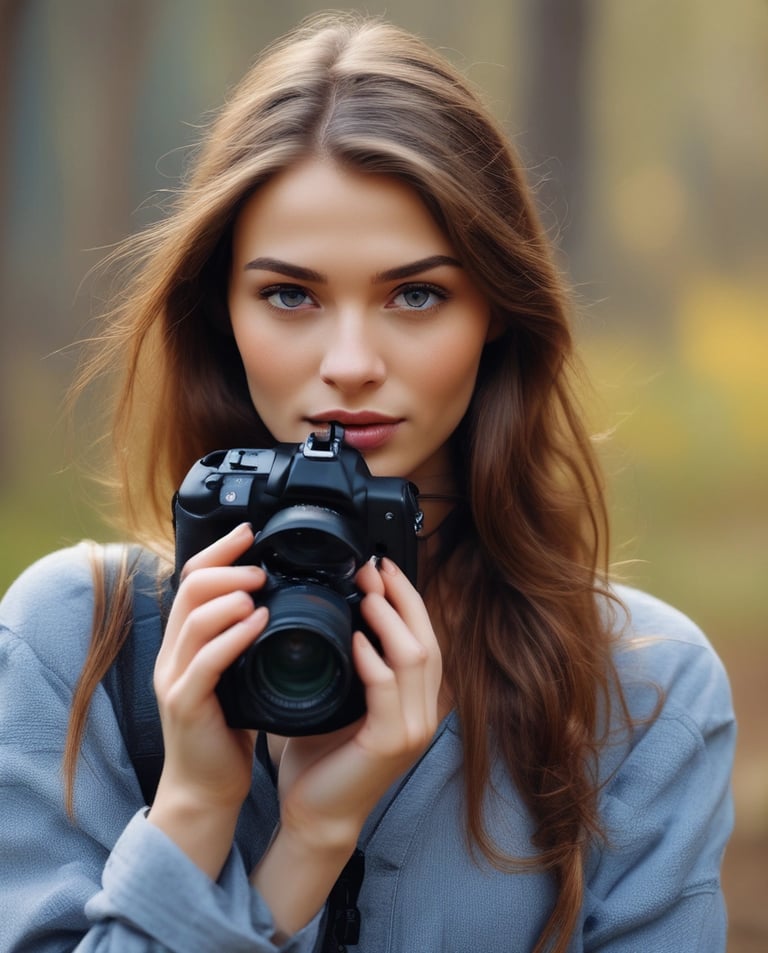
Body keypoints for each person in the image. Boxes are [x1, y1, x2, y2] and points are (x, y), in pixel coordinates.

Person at [0, 11, 735, 953]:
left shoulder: (643, 695)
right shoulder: (75, 651)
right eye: (289, 295)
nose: (349, 362)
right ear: (220, 313)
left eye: (416, 294)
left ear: (496, 315)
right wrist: (215, 817)